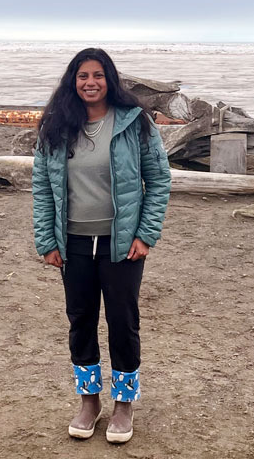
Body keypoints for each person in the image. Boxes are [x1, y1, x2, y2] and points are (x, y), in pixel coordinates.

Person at [32, 47, 171, 444]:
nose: (89, 83)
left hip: (122, 244)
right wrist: (47, 239)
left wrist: (146, 234)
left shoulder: (135, 124)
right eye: (82, 76)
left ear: (110, 79)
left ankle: (123, 405)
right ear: (72, 82)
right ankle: (89, 400)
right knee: (80, 320)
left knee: (123, 323)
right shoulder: (56, 126)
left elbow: (159, 181)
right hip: (72, 243)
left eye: (97, 75)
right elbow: (42, 187)